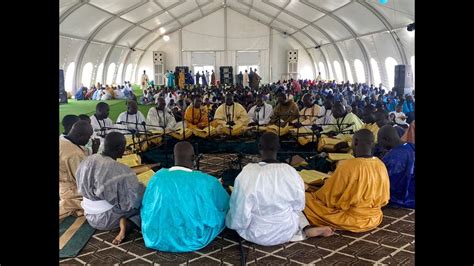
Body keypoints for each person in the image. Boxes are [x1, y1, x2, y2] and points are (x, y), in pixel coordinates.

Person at [226, 132, 334, 246]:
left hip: (255, 233)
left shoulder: (247, 172)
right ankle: (305, 228)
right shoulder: (290, 171)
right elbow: (299, 206)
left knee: (235, 203)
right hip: (286, 230)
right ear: (279, 147)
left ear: (259, 147)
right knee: (296, 211)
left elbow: (240, 214)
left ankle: (305, 228)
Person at [141, 141, 229, 252]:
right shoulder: (206, 180)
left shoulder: (157, 176)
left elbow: (146, 205)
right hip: (191, 239)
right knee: (222, 211)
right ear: (194, 157)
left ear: (173, 157)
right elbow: (224, 204)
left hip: (155, 236)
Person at [304, 129, 390, 232]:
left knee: (305, 199)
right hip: (374, 217)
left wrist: (314, 188)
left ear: (356, 142)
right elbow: (385, 197)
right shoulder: (381, 164)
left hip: (352, 219)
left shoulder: (348, 166)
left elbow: (328, 198)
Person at [76, 132, 145, 245]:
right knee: (148, 201)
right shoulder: (120, 170)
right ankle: (128, 224)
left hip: (89, 215)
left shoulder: (88, 160)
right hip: (106, 219)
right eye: (124, 147)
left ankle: (127, 223)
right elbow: (129, 203)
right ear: (119, 148)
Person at [59, 121, 93, 219]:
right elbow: (82, 182)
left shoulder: (62, 139)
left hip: (63, 184)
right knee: (100, 199)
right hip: (70, 189)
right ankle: (70, 205)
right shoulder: (73, 154)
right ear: (79, 135)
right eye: (88, 137)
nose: (89, 139)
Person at [378, 125, 415, 209]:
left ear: (386, 139)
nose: (379, 144)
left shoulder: (393, 157)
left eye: (379, 141)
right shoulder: (410, 145)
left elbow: (388, 183)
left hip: (403, 198)